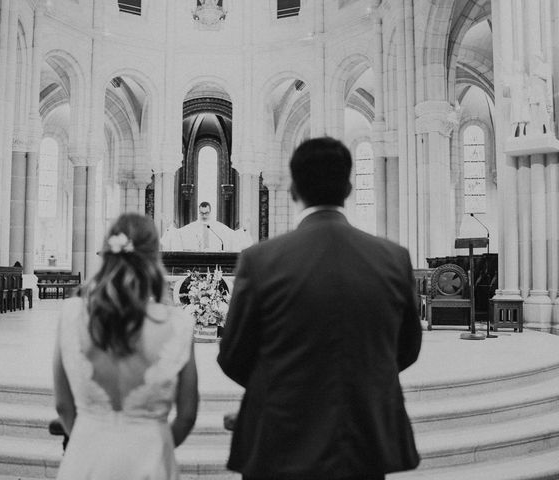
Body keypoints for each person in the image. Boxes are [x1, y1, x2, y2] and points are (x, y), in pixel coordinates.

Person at [218, 137, 422, 480]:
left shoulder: (261, 260)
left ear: (294, 189)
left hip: (281, 436)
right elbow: (406, 349)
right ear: (349, 187)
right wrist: (360, 378)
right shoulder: (393, 258)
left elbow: (234, 355)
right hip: (362, 437)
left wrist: (281, 385)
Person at [53, 213, 199, 480]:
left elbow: (64, 406)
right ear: (155, 256)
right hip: (150, 460)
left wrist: (89, 440)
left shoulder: (72, 313)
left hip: (85, 457)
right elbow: (187, 415)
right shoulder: (179, 323)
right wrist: (160, 445)